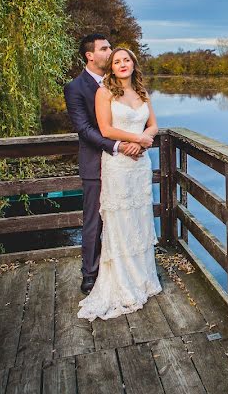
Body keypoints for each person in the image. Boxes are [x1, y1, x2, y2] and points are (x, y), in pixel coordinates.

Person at [78, 47, 163, 320]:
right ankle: (123, 284)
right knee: (120, 219)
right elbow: (106, 130)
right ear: (111, 67)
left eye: (127, 60)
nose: (122, 64)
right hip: (117, 165)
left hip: (139, 166)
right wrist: (136, 139)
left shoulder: (142, 92)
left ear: (133, 64)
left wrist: (144, 138)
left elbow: (153, 126)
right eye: (117, 61)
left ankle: (142, 280)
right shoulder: (104, 92)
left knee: (139, 218)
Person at [64, 34, 144, 295]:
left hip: (127, 164)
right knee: (94, 221)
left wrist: (140, 140)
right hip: (96, 164)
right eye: (105, 48)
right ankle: (90, 273)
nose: (110, 52)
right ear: (90, 55)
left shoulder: (122, 85)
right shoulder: (75, 87)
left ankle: (124, 269)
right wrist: (119, 145)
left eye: (111, 48)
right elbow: (85, 129)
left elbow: (135, 119)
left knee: (125, 217)